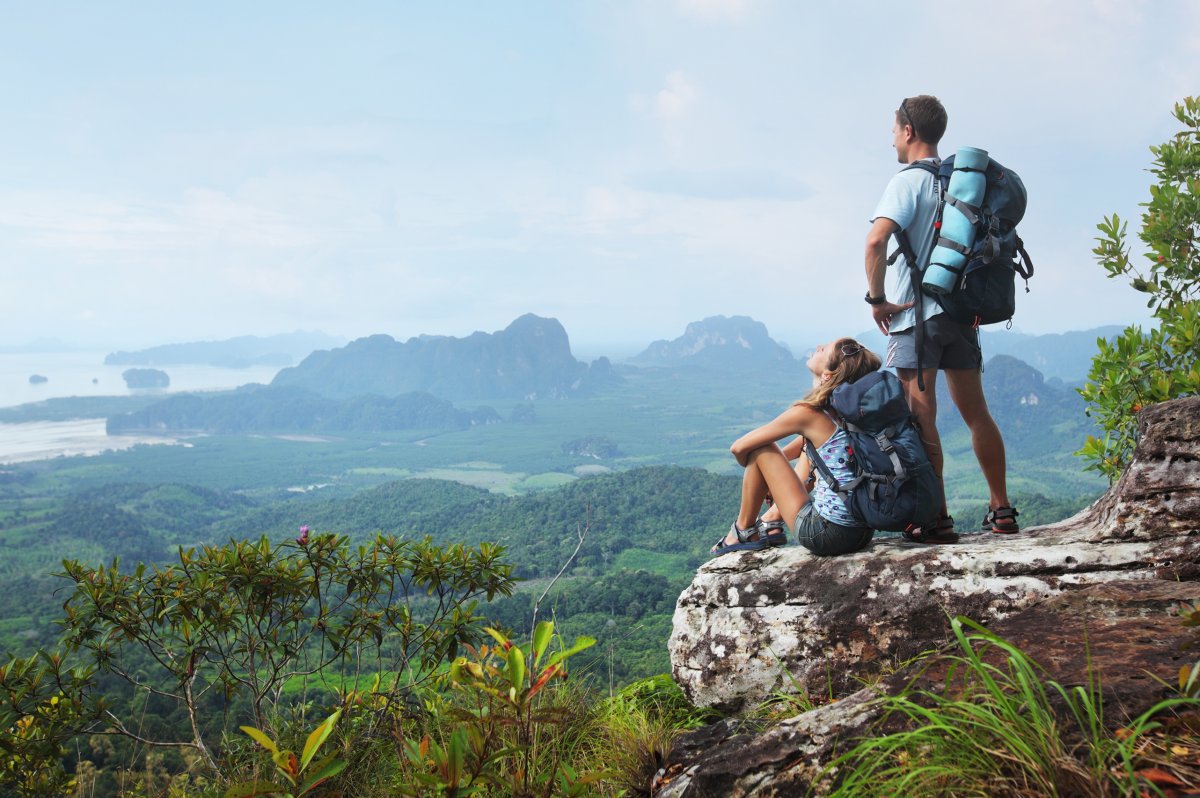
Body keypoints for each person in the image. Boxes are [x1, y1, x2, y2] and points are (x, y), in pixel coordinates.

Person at [862, 94, 1019, 543]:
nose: (892, 138)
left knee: (920, 415)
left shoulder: (906, 182)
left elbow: (875, 242)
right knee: (978, 413)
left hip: (916, 317)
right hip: (961, 312)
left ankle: (936, 517)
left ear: (909, 131)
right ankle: (1001, 508)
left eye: (894, 129)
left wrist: (876, 299)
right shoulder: (962, 183)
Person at [710, 337, 881, 558]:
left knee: (761, 449)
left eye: (825, 349)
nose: (819, 346)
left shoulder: (810, 414)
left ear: (828, 375)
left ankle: (743, 530)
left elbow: (739, 448)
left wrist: (760, 469)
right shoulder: (848, 411)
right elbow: (793, 451)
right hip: (862, 532)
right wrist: (772, 477)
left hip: (826, 535)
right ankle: (772, 520)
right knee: (807, 449)